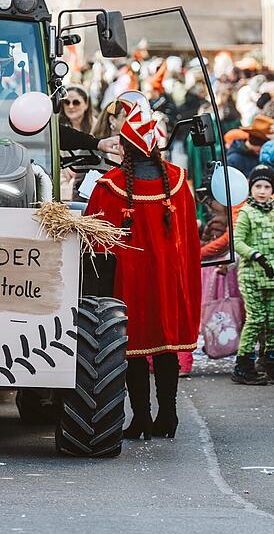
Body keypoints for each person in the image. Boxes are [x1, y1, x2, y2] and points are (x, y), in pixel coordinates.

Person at [84, 95, 201, 439]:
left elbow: (95, 242)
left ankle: (141, 419)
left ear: (125, 147)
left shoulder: (108, 187)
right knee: (165, 348)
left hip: (128, 282)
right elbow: (188, 242)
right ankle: (169, 415)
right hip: (167, 279)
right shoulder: (178, 183)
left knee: (132, 349)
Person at [230, 165, 274, 385]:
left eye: (266, 186)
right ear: (250, 188)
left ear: (272, 189)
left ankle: (273, 365)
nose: (262, 191)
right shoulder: (246, 212)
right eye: (257, 186)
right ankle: (243, 366)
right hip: (252, 275)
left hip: (273, 275)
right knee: (255, 319)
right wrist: (255, 256)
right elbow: (238, 242)